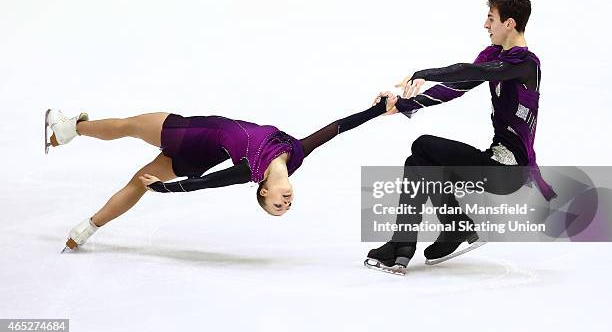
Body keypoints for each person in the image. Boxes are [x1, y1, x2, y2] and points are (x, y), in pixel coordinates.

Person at [46, 96, 396, 252]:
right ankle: (83, 230)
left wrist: (166, 191)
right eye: (285, 207)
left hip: (192, 135)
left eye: (277, 206)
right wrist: (378, 109)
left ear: (263, 192)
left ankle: (68, 131)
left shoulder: (249, 171)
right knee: (131, 144)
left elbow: (209, 182)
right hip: (201, 155)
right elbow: (336, 128)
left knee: (129, 128)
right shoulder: (297, 155)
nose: (285, 204)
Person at [365, 0, 556, 275]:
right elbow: (457, 86)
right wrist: (403, 104)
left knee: (424, 145)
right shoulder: (495, 56)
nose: (486, 25)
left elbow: (468, 71)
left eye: (491, 18)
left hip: (508, 171)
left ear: (510, 23)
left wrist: (424, 72)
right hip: (492, 161)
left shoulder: (525, 65)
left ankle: (453, 226)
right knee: (417, 164)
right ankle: (404, 245)